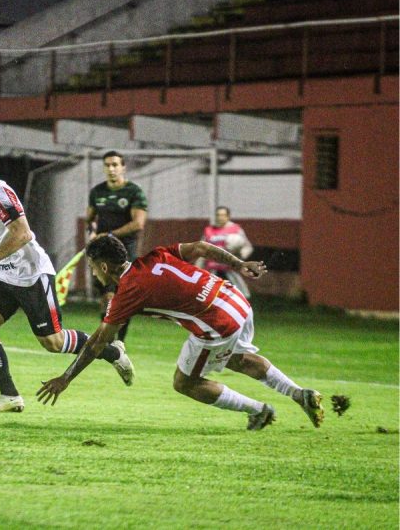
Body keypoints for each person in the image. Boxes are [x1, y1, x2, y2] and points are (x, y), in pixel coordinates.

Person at [37, 235, 324, 431]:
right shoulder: (156, 255)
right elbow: (200, 247)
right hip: (236, 301)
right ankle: (300, 394)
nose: (93, 274)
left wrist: (66, 378)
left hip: (217, 323)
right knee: (238, 359)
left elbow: (99, 341)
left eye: (91, 268)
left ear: (103, 267)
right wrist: (238, 265)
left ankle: (259, 411)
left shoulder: (129, 291)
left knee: (185, 383)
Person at [0, 142, 135, 413]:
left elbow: (23, 233)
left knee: (53, 342)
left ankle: (113, 352)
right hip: (3, 274)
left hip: (31, 274)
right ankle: (9, 395)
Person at [86, 151, 148, 343]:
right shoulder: (97, 192)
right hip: (101, 252)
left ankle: (116, 341)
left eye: (115, 165)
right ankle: (110, 342)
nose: (111, 169)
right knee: (105, 298)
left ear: (123, 167)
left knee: (117, 298)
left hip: (123, 251)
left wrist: (110, 235)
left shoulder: (134, 192)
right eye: (107, 165)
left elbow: (138, 224)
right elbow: (90, 220)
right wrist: (92, 232)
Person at [200, 206, 254, 298]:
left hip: (230, 269)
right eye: (218, 215)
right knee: (209, 295)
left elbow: (248, 247)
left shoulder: (236, 230)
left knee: (240, 295)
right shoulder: (209, 231)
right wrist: (199, 266)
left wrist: (241, 257)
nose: (220, 217)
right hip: (213, 269)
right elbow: (201, 249)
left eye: (223, 215)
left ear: (228, 216)